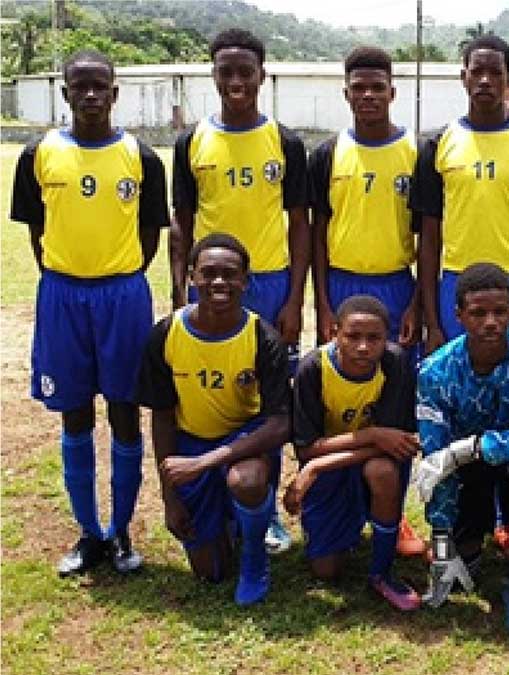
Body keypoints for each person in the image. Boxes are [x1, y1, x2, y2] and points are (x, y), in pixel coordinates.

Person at [10, 49, 168, 576]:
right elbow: (37, 231)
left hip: (122, 296)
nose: (92, 95)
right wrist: (68, 277)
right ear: (66, 93)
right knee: (74, 412)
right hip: (61, 295)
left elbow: (150, 235)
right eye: (81, 87)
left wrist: (115, 277)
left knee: (125, 411)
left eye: (101, 86)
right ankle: (88, 533)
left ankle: (121, 531)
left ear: (115, 92)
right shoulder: (38, 154)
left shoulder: (140, 157)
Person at [171, 28, 310, 554]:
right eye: (225, 72)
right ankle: (217, 494)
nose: (236, 81)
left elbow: (300, 223)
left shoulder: (286, 142)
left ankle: (266, 509)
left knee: (271, 399)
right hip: (211, 288)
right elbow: (181, 223)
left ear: (261, 76)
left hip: (270, 284)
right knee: (214, 396)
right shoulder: (192, 143)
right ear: (214, 76)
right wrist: (179, 287)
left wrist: (295, 298)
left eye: (245, 72)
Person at [308, 46, 425, 557]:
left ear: (392, 92)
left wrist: (419, 300)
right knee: (340, 396)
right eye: (360, 87)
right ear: (347, 93)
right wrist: (322, 303)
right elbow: (316, 232)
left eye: (379, 86)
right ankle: (334, 496)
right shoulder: (327, 154)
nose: (370, 95)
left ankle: (391, 515)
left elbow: (428, 233)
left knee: (394, 400)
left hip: (397, 286)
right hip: (342, 287)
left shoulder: (417, 153)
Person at [137, 234, 291, 607]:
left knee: (247, 480)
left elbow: (279, 424)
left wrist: (206, 462)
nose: (219, 282)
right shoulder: (165, 334)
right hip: (191, 441)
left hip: (244, 444)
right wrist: (170, 497)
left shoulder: (262, 337)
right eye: (208, 274)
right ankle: (230, 521)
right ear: (192, 278)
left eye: (229, 274)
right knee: (210, 573)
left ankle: (255, 557)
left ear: (245, 281)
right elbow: (162, 417)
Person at [414, 263, 509, 635]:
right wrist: (443, 544)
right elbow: (436, 461)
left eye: (500, 312)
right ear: (459, 315)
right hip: (470, 474)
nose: (491, 322)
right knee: (464, 553)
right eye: (478, 313)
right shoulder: (435, 372)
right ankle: (464, 548)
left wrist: (476, 446)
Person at [410, 34, 509, 355]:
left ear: (508, 78)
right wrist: (432, 323)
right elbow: (430, 240)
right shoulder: (438, 145)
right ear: (464, 77)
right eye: (477, 72)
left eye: (495, 73)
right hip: (457, 283)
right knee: (459, 386)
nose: (485, 80)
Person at [289, 295, 421, 611]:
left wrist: (315, 466)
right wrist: (370, 434)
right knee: (326, 571)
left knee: (383, 470)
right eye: (353, 336)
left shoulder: (396, 363)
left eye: (373, 338)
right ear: (335, 332)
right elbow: (307, 447)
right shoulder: (313, 369)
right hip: (331, 463)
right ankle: (348, 524)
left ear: (386, 338)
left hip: (363, 461)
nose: (363, 347)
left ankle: (382, 572)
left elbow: (395, 444)